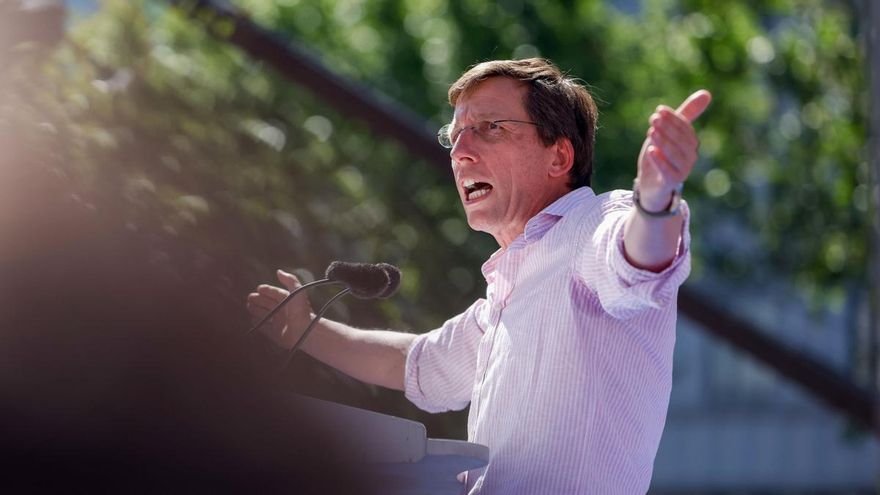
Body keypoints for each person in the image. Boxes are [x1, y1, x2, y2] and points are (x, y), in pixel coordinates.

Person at [247, 58, 711, 494]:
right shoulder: (510, 289)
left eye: (490, 128)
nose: (461, 152)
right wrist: (307, 331)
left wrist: (656, 196)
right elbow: (419, 364)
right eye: (456, 135)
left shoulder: (592, 227)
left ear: (559, 156)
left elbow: (638, 257)